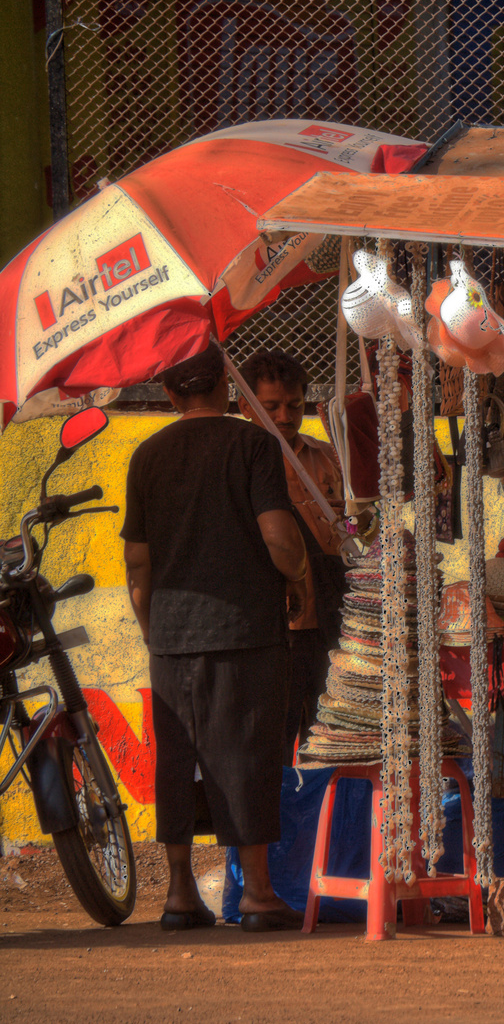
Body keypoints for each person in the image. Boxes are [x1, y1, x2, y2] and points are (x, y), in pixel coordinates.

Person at [121, 343, 309, 933]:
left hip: (173, 635)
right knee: (247, 757)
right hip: (246, 630)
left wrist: (155, 629)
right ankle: (256, 894)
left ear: (171, 393)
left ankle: (180, 895)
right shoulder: (252, 446)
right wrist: (299, 574)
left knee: (177, 760)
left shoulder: (146, 455)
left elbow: (137, 564)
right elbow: (279, 539)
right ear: (229, 389)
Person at [240, 348, 346, 754]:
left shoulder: (325, 457)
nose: (284, 417)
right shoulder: (243, 461)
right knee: (277, 736)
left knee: (332, 730)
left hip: (333, 612)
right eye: (271, 407)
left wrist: (358, 523)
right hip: (278, 621)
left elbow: (351, 526)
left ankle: (322, 815)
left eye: (294, 405)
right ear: (247, 406)